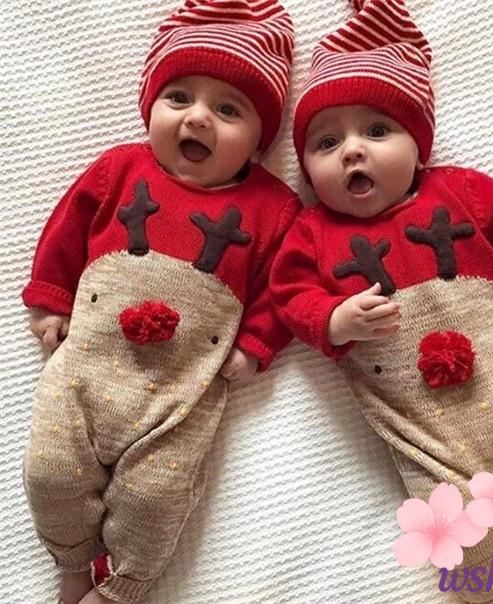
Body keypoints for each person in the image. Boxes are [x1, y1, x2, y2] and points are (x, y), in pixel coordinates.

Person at [270, 0, 493, 601]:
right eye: (326, 142)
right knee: (462, 541)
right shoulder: (311, 233)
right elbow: (288, 293)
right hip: (424, 434)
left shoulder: (460, 192)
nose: (352, 150)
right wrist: (334, 318)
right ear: (309, 171)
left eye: (377, 131)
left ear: (418, 146)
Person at [21, 1, 299, 602]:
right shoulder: (119, 169)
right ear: (150, 108)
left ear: (259, 141)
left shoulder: (273, 207)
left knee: (156, 498)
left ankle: (122, 586)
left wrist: (257, 342)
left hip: (182, 395)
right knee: (50, 471)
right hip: (86, 371)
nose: (198, 117)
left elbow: (286, 286)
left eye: (228, 110)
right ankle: (72, 564)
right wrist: (52, 298)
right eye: (179, 98)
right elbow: (67, 229)